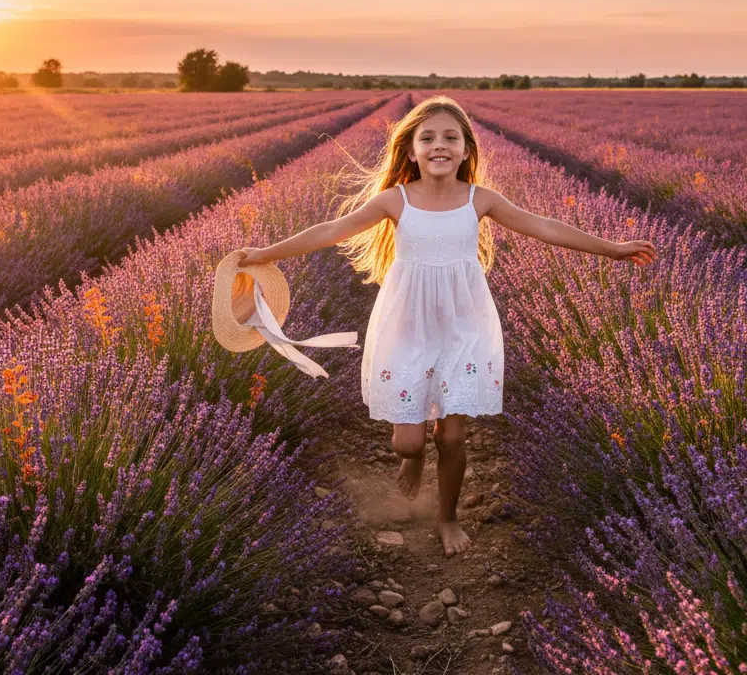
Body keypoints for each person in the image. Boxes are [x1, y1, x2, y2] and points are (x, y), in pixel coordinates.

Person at [237, 96, 656, 557]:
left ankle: (446, 518)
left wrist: (612, 248)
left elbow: (545, 226)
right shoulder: (395, 200)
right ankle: (414, 461)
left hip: (464, 326)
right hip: (407, 326)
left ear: (466, 150)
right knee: (410, 442)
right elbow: (331, 229)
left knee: (452, 435)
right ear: (411, 151)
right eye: (428, 137)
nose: (440, 145)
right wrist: (266, 254)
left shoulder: (481, 200)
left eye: (451, 138)